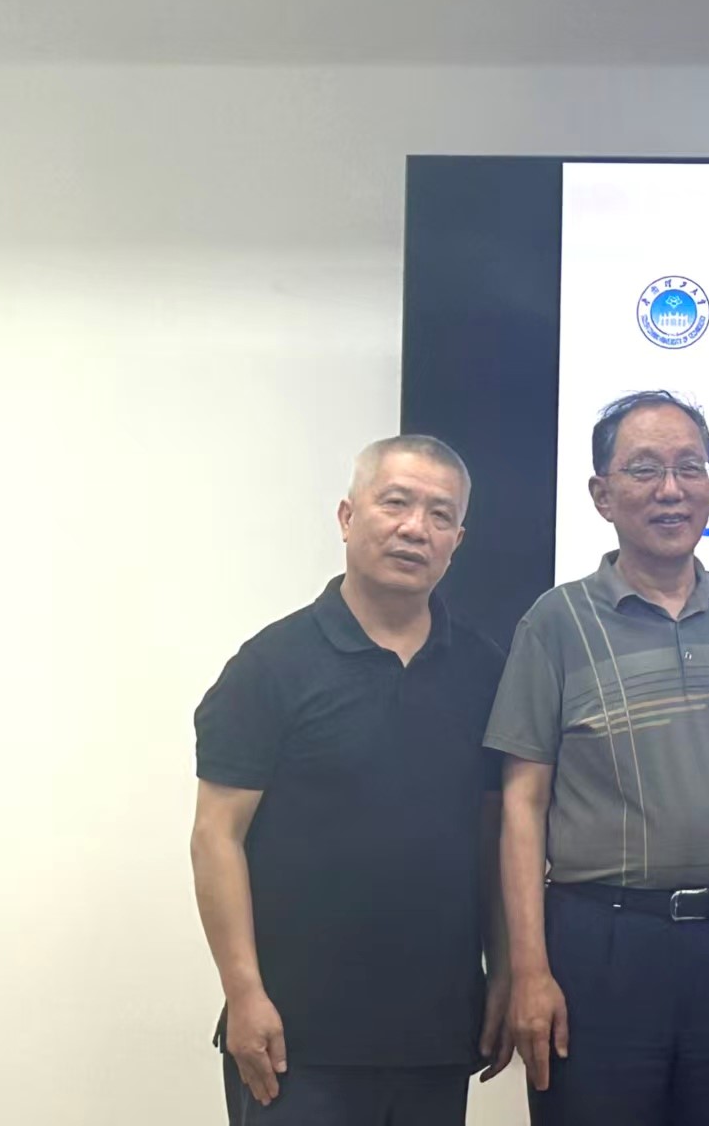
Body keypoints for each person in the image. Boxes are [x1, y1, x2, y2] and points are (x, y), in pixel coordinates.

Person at [484, 391, 709, 1125]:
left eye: (690, 467)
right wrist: (529, 969)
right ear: (602, 494)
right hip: (600, 943)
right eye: (644, 469)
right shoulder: (556, 621)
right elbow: (522, 804)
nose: (671, 489)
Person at [191, 435, 509, 1124]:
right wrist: (244, 994)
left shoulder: (485, 671)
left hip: (435, 1035)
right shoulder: (270, 666)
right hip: (294, 1040)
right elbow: (216, 837)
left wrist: (506, 972)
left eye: (440, 515)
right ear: (346, 516)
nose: (415, 528)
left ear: (457, 540)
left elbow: (495, 840)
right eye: (395, 503)